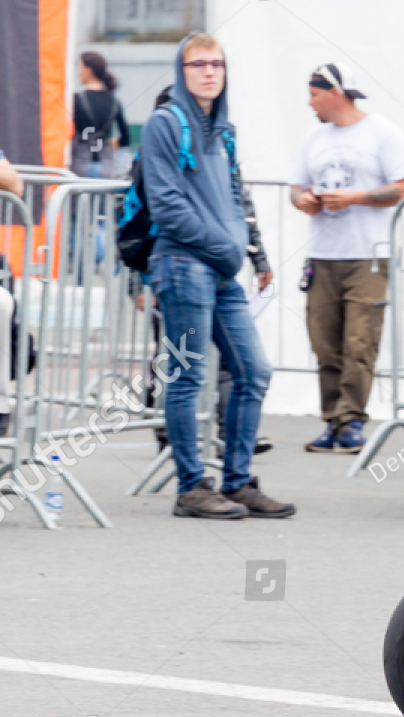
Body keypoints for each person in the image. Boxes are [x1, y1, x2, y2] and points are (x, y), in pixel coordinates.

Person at [142, 32, 292, 520]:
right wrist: (224, 247)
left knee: (255, 372)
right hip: (182, 266)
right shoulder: (165, 124)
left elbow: (236, 199)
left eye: (217, 64)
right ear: (181, 71)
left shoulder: (223, 130)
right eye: (198, 64)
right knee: (188, 376)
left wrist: (254, 253)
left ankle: (237, 481)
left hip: (222, 269)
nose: (209, 71)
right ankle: (191, 487)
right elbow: (165, 205)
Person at [289, 63, 404, 455]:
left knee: (359, 341)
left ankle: (352, 421)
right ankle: (332, 419)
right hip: (323, 254)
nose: (310, 103)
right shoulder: (313, 138)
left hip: (368, 255)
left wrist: (354, 198)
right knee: (324, 341)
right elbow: (294, 189)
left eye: (314, 94)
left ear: (335, 92)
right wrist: (304, 201)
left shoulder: (382, 132)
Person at [72, 52, 130, 178]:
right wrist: (105, 143)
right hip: (106, 166)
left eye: (80, 68)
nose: (78, 73)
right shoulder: (114, 101)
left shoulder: (76, 100)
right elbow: (125, 139)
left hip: (80, 165)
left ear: (89, 70)